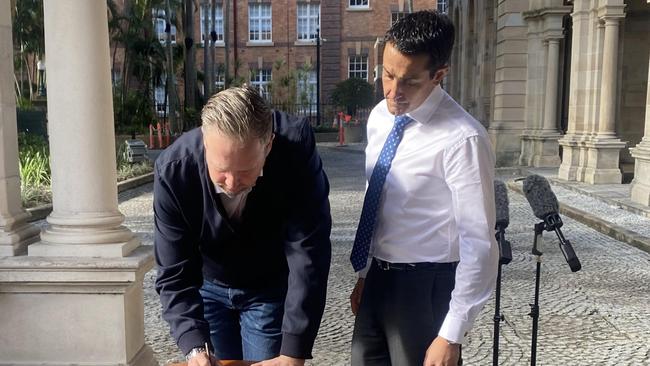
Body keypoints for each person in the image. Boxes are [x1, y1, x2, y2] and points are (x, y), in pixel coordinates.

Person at [348, 10, 499, 366]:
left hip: (427, 289)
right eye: (387, 74)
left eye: (410, 81)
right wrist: (364, 275)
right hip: (378, 282)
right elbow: (380, 204)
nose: (394, 91)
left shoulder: (463, 138)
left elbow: (479, 243)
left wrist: (451, 333)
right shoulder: (380, 118)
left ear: (438, 75)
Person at [154, 85, 332, 366]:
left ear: (269, 145)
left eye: (246, 171)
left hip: (268, 284)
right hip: (208, 282)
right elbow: (174, 271)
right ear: (205, 142)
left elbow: (308, 249)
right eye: (220, 171)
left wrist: (294, 351)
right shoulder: (174, 170)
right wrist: (193, 348)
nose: (233, 184)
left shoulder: (294, 148)